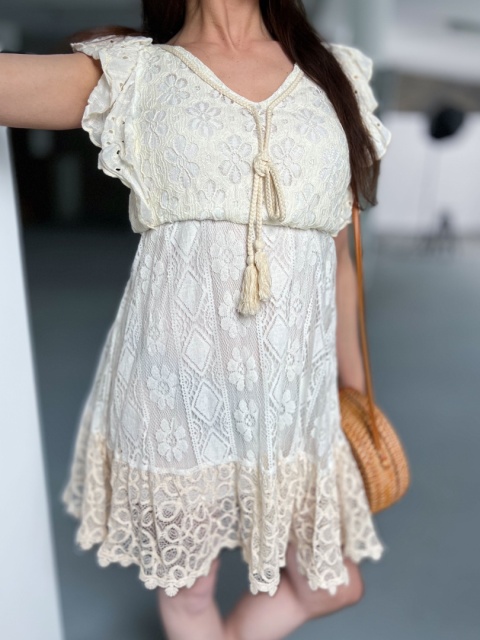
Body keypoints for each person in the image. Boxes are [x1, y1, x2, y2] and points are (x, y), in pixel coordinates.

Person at [0, 1, 392, 638]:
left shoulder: (334, 76)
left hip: (293, 403)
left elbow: (339, 259)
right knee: (190, 596)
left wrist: (355, 392)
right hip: (173, 400)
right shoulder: (134, 74)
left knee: (332, 584)